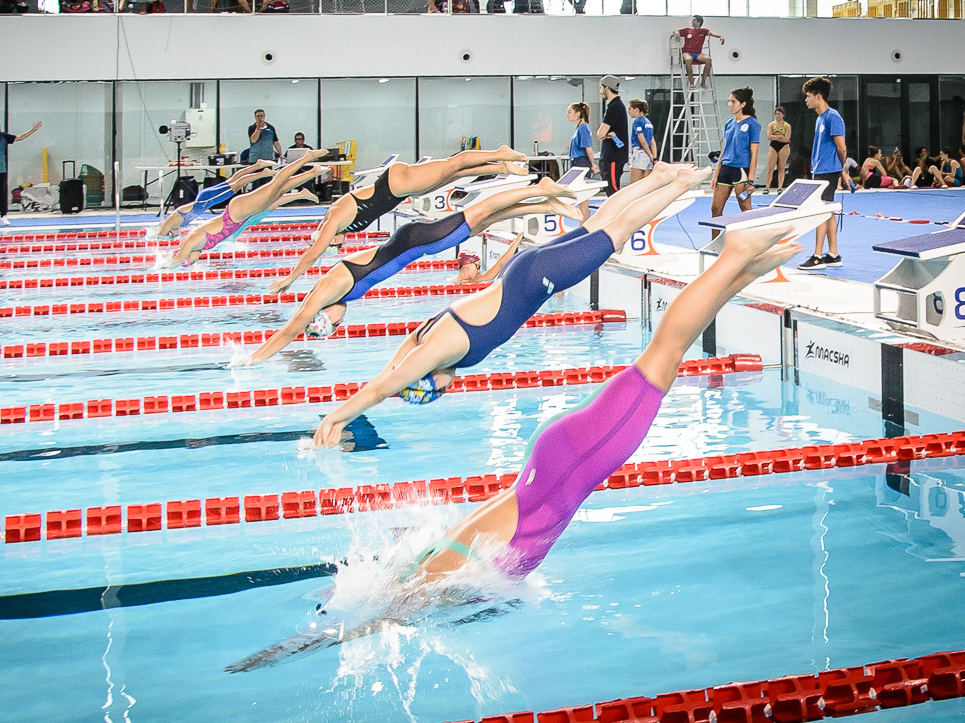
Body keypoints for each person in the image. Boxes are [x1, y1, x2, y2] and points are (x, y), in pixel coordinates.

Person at [396, 226, 799, 584]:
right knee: (667, 356)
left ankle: (734, 254)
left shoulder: (426, 583)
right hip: (555, 463)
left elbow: (389, 613)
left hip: (569, 463)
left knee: (666, 353)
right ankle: (744, 268)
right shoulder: (429, 567)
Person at [310, 162, 709, 447]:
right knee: (599, 220)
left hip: (539, 278)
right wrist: (349, 412)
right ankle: (658, 177)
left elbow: (384, 387)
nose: (450, 386)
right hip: (522, 271)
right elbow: (389, 373)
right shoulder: (419, 340)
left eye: (440, 389)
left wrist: (336, 416)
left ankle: (678, 185)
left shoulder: (439, 351)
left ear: (431, 378)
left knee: (617, 230)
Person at [248, 181, 580, 365]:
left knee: (481, 212)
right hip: (415, 244)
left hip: (415, 241)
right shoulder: (338, 294)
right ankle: (546, 204)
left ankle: (540, 188)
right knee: (485, 221)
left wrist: (255, 358)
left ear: (323, 316)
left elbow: (290, 329)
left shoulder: (324, 293)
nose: (340, 321)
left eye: (334, 324)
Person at [267, 146, 529, 295]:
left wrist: (290, 278)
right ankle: (501, 167)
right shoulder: (338, 223)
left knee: (452, 165)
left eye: (334, 244)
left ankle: (500, 152)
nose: (337, 244)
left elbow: (313, 254)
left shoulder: (334, 219)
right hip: (399, 191)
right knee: (452, 176)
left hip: (396, 183)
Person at [166, 151, 330, 268]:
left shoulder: (191, 242)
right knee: (278, 191)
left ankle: (307, 157)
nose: (194, 261)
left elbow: (175, 261)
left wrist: (163, 265)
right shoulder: (198, 246)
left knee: (275, 186)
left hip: (235, 213)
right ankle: (312, 172)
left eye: (191, 261)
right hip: (239, 216)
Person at [797, 77, 850, 271]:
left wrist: (842, 172)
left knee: (820, 212)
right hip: (820, 171)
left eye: (808, 96)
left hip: (828, 173)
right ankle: (833, 254)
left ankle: (817, 256)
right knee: (827, 213)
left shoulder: (832, 117)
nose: (806, 100)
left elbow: (841, 148)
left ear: (818, 96)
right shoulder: (820, 118)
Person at [151, 161, 277, 239]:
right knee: (232, 180)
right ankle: (257, 165)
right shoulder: (174, 225)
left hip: (205, 201)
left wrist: (158, 239)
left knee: (236, 185)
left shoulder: (167, 225)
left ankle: (263, 173)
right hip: (204, 199)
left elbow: (160, 237)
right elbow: (176, 235)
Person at [0, 116, 42, 226]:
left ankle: (3, 216)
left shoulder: (3, 137)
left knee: (1, 194)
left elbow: (19, 137)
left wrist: (33, 130)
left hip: (0, 171)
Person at [710, 88, 760, 236]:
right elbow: (724, 150)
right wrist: (716, 175)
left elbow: (754, 153)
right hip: (725, 170)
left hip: (741, 171)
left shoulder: (753, 124)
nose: (729, 104)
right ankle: (715, 244)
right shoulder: (729, 124)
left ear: (743, 104)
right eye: (729, 101)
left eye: (733, 101)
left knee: (745, 208)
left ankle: (753, 243)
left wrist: (750, 180)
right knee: (715, 209)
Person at [671, 15, 725, 88]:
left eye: (694, 20)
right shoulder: (688, 30)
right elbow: (675, 31)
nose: (692, 22)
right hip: (686, 52)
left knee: (708, 59)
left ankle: (703, 82)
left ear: (698, 22)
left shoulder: (703, 31)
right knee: (688, 59)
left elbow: (712, 33)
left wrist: (720, 36)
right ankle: (692, 83)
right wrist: (676, 33)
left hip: (698, 53)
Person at [596, 75, 629, 195]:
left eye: (601, 88)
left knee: (613, 190)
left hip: (613, 157)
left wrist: (604, 135)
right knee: (611, 189)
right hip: (613, 156)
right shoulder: (615, 106)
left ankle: (618, 213)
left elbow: (600, 134)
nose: (600, 91)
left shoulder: (614, 107)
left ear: (607, 88)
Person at [453, 235, 524, 285]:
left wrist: (516, 242)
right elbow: (500, 265)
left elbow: (500, 265)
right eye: (477, 267)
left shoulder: (475, 279)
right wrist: (516, 241)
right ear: (467, 266)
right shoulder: (475, 280)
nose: (479, 271)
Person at [627, 99, 656, 185]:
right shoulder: (648, 122)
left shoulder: (637, 121)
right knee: (645, 185)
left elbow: (642, 140)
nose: (629, 112)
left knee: (634, 185)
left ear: (636, 109)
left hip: (639, 152)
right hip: (648, 156)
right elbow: (652, 141)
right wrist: (654, 157)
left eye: (630, 109)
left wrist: (650, 154)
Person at [764, 107, 791, 194]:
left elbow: (786, 139)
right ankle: (767, 187)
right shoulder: (771, 125)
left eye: (779, 114)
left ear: (783, 115)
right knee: (770, 168)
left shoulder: (787, 126)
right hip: (773, 146)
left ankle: (780, 187)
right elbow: (768, 136)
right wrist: (779, 136)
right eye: (776, 114)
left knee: (781, 167)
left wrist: (774, 137)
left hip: (784, 147)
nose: (777, 116)